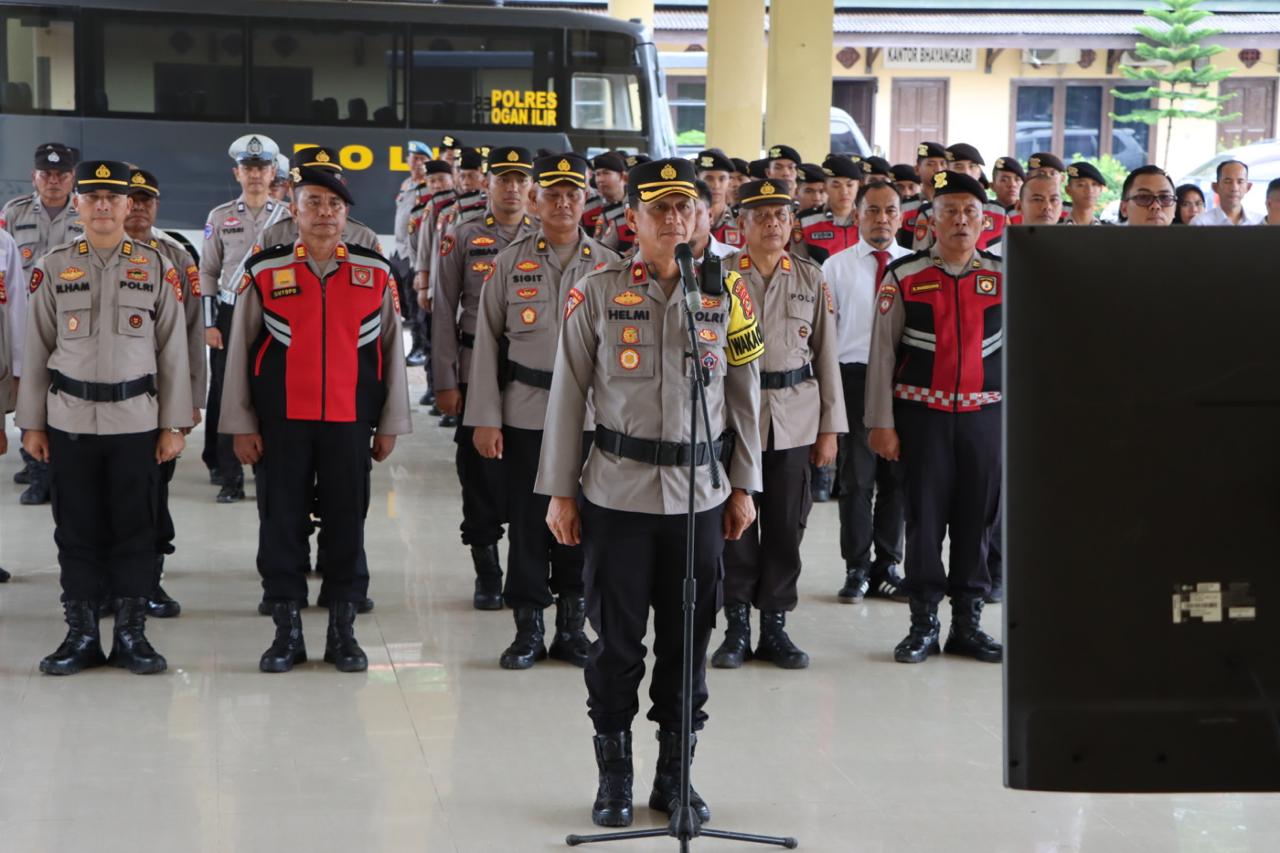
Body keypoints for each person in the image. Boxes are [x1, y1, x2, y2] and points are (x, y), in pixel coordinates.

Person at [536, 157, 763, 828]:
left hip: (699, 495)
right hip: (617, 494)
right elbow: (567, 393)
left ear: (702, 216)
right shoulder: (596, 289)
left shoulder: (728, 292)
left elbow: (745, 397)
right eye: (658, 208)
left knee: (689, 641)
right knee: (615, 645)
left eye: (684, 207)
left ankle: (676, 774)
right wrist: (560, 490)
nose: (673, 219)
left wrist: (744, 484)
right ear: (631, 218)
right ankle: (615, 774)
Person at [219, 157, 411, 674]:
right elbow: (238, 353)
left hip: (350, 420)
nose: (324, 213)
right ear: (295, 210)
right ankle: (287, 631)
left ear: (346, 214)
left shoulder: (373, 272)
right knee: (281, 521)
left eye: (334, 204)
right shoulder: (265, 270)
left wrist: (390, 422)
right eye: (313, 203)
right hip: (281, 422)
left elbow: (391, 351)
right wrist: (240, 423)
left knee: (347, 520)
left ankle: (342, 631)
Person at [18, 160, 193, 676]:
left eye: (112, 198)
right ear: (78, 202)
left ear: (126, 206)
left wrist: (173, 424)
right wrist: (31, 423)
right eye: (92, 196)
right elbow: (36, 350)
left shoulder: (155, 266)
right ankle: (81, 634)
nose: (101, 206)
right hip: (69, 420)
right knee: (76, 531)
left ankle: (133, 635)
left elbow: (173, 354)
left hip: (136, 422)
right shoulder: (52, 266)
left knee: (136, 530)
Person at [466, 154, 617, 670]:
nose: (563, 202)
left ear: (585, 201)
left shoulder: (609, 265)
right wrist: (485, 418)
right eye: (552, 193)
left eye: (572, 194)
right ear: (536, 200)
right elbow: (485, 344)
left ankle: (572, 627)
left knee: (583, 521)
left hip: (592, 417)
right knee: (529, 523)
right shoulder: (508, 262)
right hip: (525, 412)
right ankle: (527, 626)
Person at [866, 170, 1004, 666]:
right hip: (920, 417)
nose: (960, 220)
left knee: (978, 520)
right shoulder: (904, 276)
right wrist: (881, 422)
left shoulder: (1004, 277)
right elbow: (882, 354)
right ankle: (923, 623)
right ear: (930, 220)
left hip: (985, 419)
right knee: (923, 520)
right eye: (950, 211)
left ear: (985, 221)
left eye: (970, 211)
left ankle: (968, 623)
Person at [711, 178, 844, 671]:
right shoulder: (719, 274)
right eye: (761, 216)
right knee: (735, 523)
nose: (772, 224)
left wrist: (830, 430)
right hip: (732, 418)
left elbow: (826, 357)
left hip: (794, 418)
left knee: (787, 524)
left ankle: (776, 625)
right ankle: (737, 625)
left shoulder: (810, 277)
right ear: (740, 224)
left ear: (792, 223)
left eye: (781, 216)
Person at [434, 147, 538, 609]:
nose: (512, 188)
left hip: (532, 374)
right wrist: (444, 380)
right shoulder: (462, 236)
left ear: (530, 186)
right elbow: (442, 311)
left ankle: (526, 566)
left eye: (520, 179)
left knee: (528, 472)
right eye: (503, 179)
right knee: (479, 471)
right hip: (476, 366)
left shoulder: (545, 237)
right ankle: (487, 569)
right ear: (488, 184)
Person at [821, 181, 911, 605]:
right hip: (853, 379)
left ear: (901, 216)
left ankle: (887, 566)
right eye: (873, 211)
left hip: (901, 382)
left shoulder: (913, 266)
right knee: (856, 480)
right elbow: (824, 338)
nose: (882, 219)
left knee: (898, 478)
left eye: (890, 211)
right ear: (858, 215)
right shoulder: (834, 268)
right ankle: (856, 566)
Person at [123, 168, 206, 618]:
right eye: (130, 199)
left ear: (156, 205)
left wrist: (191, 399)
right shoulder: (81, 254)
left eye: (145, 200)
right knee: (98, 495)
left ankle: (148, 582)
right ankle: (103, 583)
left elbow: (194, 332)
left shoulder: (177, 257)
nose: (137, 207)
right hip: (97, 400)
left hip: (159, 398)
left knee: (154, 492)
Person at [200, 133, 282, 504]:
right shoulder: (220, 217)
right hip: (231, 312)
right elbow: (207, 272)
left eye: (262, 168)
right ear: (237, 173)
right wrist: (209, 322)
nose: (255, 175)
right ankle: (228, 474)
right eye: (248, 168)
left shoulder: (287, 218)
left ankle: (271, 463)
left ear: (273, 172)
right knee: (225, 390)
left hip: (274, 314)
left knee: (271, 386)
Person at [2, 142, 84, 506]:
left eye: (61, 175)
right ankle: (37, 472)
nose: (53, 181)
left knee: (67, 397)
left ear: (72, 178)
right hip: (24, 325)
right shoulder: (14, 213)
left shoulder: (85, 213)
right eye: (46, 174)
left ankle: (61, 467)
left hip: (71, 325)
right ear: (34, 177)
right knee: (29, 395)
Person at [393, 141, 431, 364]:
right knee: (406, 304)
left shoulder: (428, 187)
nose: (416, 163)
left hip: (413, 254)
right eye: (413, 158)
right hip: (400, 253)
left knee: (418, 307)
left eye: (421, 159)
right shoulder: (407, 184)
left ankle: (420, 348)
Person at [795, 155, 863, 264]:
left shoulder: (868, 220)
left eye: (850, 185)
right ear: (825, 187)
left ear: (858, 186)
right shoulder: (805, 221)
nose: (844, 192)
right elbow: (798, 266)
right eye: (836, 186)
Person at [897, 141, 948, 248]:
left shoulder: (953, 206)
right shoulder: (903, 208)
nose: (938, 169)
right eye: (930, 164)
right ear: (917, 169)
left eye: (943, 163)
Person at [695, 149, 743, 249]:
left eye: (722, 179)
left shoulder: (740, 220)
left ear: (729, 181)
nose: (716, 185)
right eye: (709, 178)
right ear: (698, 179)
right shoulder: (689, 219)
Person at [1190, 160, 1262, 226]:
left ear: (1248, 187)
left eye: (1240, 182)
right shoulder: (1200, 223)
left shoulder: (1259, 222)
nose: (1234, 188)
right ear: (1215, 187)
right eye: (1228, 182)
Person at [594, 152, 635, 254]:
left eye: (606, 173)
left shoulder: (637, 204)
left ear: (622, 176)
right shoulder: (599, 211)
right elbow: (599, 251)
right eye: (598, 174)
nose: (600, 180)